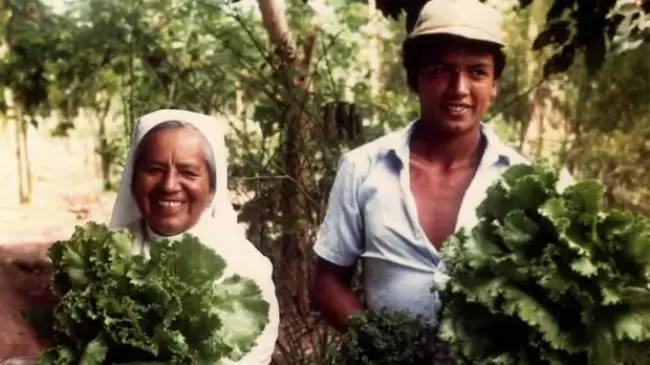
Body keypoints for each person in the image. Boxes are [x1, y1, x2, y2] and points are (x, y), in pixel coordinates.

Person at [310, 0, 572, 334]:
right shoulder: (363, 168)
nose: (459, 88)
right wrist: (382, 348)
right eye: (440, 70)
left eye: (477, 72)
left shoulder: (527, 183)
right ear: (413, 79)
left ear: (494, 84)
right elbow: (327, 281)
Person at [109, 109, 279, 365]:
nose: (168, 185)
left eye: (188, 172)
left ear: (212, 187)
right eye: (154, 169)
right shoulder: (104, 255)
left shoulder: (246, 269)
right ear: (132, 180)